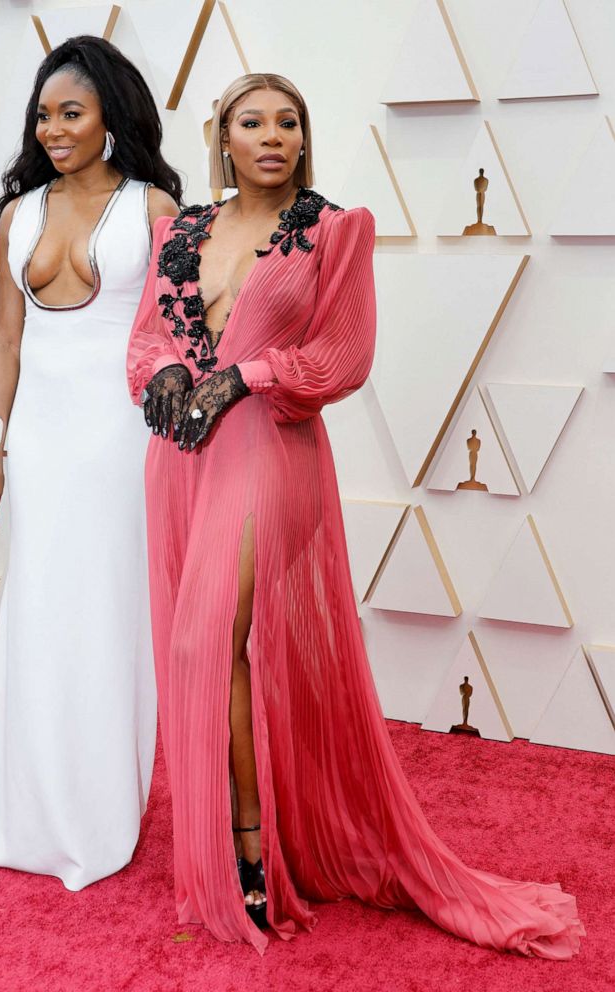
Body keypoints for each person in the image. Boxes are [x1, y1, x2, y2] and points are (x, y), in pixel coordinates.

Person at [126, 72, 584, 957]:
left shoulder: (336, 231)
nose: (272, 136)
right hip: (180, 458)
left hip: (269, 450)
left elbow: (342, 355)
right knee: (204, 653)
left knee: (204, 641)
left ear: (305, 137)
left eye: (289, 122)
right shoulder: (174, 232)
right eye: (251, 121)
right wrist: (169, 373)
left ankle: (253, 854)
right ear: (221, 137)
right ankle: (224, 846)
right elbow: (146, 337)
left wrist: (246, 375)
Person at [0, 36, 181, 891]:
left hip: (123, 436)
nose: (54, 128)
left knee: (107, 615)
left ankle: (97, 812)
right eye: (44, 114)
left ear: (111, 119)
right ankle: (25, 797)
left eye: (72, 113)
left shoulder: (155, 209)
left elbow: (171, 335)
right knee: (43, 608)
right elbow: (6, 336)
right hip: (46, 442)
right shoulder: (20, 215)